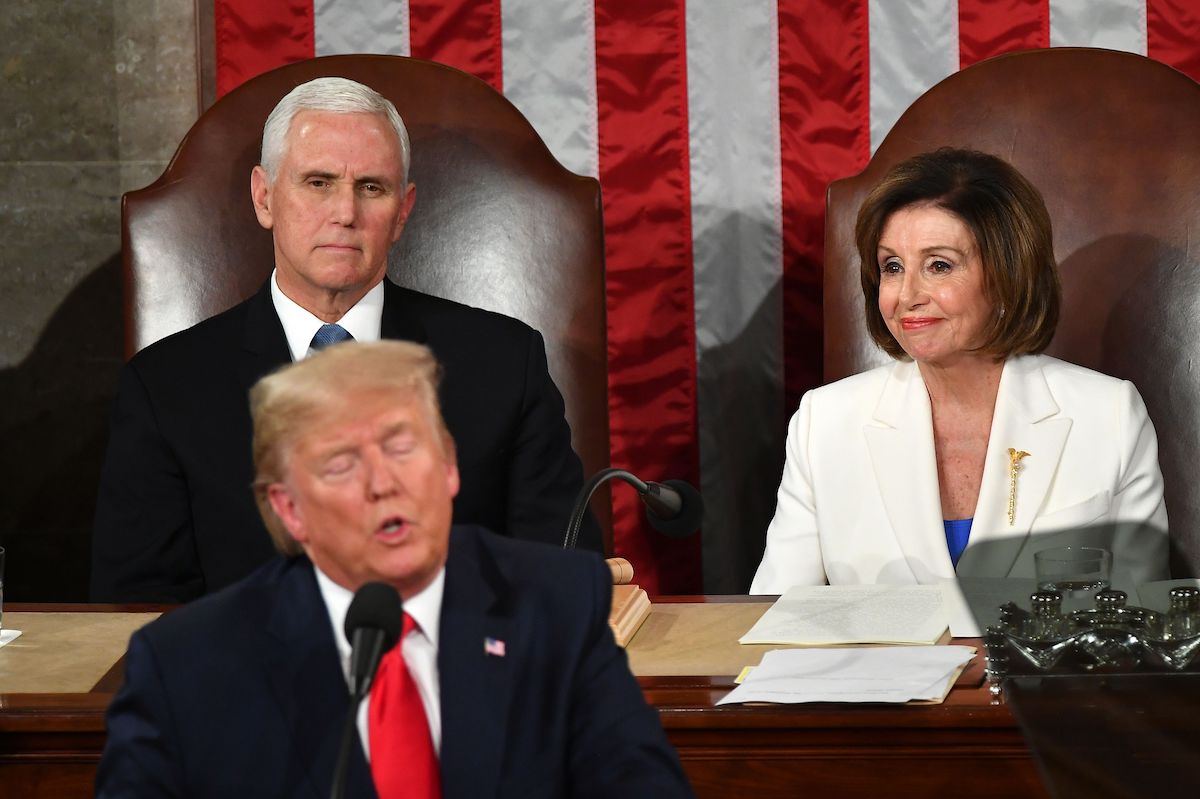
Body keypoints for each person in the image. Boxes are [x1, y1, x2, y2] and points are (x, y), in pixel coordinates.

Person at [96, 341, 692, 798]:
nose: (384, 484)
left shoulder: (555, 610)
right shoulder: (187, 667)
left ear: (451, 467)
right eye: (341, 464)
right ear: (289, 510)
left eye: (402, 447)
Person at [92, 77, 600, 604]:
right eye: (318, 182)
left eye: (371, 188)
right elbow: (135, 607)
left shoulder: (502, 363)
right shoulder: (166, 387)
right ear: (264, 197)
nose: (345, 213)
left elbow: (561, 576)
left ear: (402, 212)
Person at [751, 148, 1168, 593]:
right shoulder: (824, 421)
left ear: (1008, 277)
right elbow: (778, 614)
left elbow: (1139, 625)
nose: (907, 294)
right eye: (892, 266)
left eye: (939, 265)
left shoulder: (1108, 414)